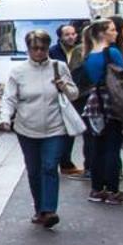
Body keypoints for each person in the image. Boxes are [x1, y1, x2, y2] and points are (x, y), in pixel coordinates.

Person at [0, 28, 83, 229]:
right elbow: (9, 98)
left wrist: (64, 86)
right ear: (28, 49)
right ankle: (39, 208)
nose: (39, 52)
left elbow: (74, 94)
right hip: (27, 128)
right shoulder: (18, 72)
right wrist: (4, 117)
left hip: (55, 128)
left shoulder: (59, 67)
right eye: (35, 48)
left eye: (43, 48)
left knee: (49, 166)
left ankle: (49, 210)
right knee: (34, 170)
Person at [78, 19, 123, 204]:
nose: (116, 33)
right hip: (112, 102)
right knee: (112, 147)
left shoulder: (89, 55)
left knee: (98, 147)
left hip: (94, 103)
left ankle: (97, 188)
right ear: (103, 33)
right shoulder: (112, 52)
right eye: (113, 30)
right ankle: (113, 190)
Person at [48, 22, 87, 178]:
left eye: (73, 34)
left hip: (77, 93)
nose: (71, 37)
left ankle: (66, 162)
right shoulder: (53, 52)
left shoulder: (80, 50)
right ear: (60, 37)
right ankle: (62, 161)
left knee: (71, 129)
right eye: (67, 35)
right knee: (61, 130)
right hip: (59, 94)